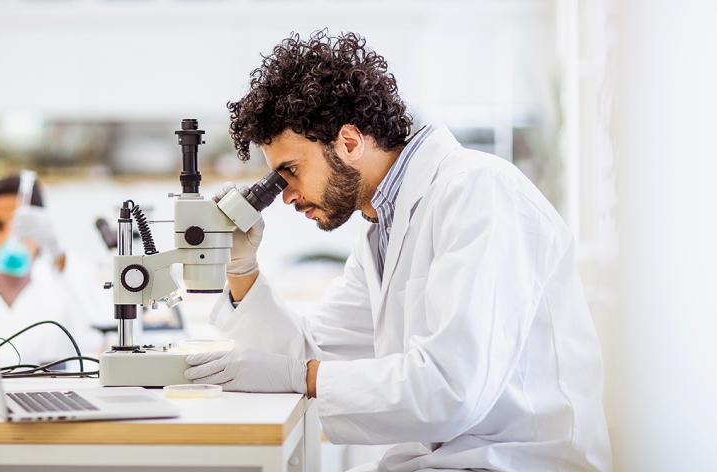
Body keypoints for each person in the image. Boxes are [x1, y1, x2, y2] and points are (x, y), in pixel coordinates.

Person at [184, 31, 612, 471]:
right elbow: (307, 354)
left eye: (289, 171)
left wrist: (303, 377)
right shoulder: (381, 230)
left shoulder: (479, 192)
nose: (286, 196)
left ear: (349, 142)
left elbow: (451, 389)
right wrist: (242, 269)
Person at [0, 175, 104, 370]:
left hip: (51, 399)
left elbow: (97, 332)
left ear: (40, 229)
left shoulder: (67, 289)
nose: (11, 238)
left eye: (22, 228)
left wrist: (55, 249)